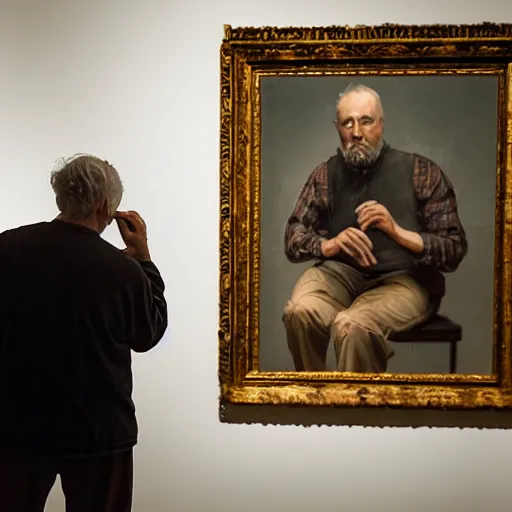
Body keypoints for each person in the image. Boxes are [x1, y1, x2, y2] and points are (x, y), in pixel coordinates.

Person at [0, 154, 168, 511]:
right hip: (99, 429)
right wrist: (145, 260)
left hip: (17, 425)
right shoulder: (122, 270)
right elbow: (148, 334)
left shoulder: (6, 249)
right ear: (105, 205)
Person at [282, 83, 468, 373]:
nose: (356, 132)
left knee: (353, 325)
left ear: (381, 124)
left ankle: (356, 410)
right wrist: (329, 245)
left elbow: (454, 249)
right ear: (338, 128)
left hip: (403, 280)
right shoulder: (324, 174)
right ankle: (316, 401)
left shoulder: (420, 172)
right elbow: (293, 238)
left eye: (366, 121)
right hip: (339, 276)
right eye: (348, 123)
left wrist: (396, 231)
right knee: (299, 312)